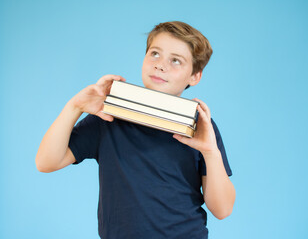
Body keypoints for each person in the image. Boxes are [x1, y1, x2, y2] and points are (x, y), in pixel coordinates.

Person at [35, 21, 236, 239]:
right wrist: (74, 107)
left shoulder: (201, 127)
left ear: (194, 76)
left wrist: (210, 152)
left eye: (176, 60)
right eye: (155, 54)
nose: (160, 65)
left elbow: (222, 210)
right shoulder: (108, 116)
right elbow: (46, 162)